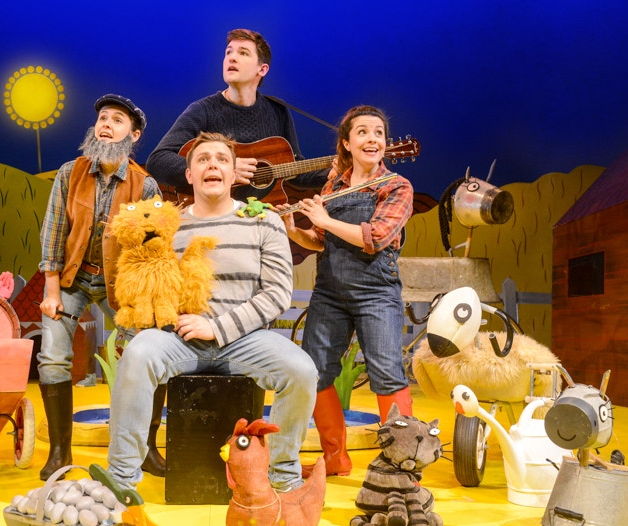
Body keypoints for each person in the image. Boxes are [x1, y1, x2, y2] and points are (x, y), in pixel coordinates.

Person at [107, 132, 318, 492]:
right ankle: (121, 482)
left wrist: (217, 328)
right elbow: (148, 277)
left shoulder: (263, 221)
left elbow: (278, 293)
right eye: (202, 159)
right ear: (188, 175)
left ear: (235, 173)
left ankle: (283, 478)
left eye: (221, 159)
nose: (212, 165)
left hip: (246, 339)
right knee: (138, 355)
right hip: (181, 339)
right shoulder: (167, 224)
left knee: (301, 371)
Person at [279, 105, 414, 477]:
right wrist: (295, 229)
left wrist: (324, 218)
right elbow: (322, 241)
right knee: (315, 372)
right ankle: (335, 457)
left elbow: (378, 237)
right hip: (330, 293)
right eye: (363, 133)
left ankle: (400, 463)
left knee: (387, 372)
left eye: (378, 133)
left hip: (376, 292)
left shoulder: (397, 186)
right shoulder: (333, 187)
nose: (372, 139)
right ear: (346, 143)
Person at [37, 94, 160, 481]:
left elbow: (153, 249)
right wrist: (52, 291)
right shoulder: (68, 173)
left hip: (120, 286)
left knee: (141, 360)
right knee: (53, 356)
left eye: (117, 120)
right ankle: (59, 452)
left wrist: (139, 310)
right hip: (73, 278)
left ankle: (145, 448)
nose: (106, 124)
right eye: (102, 118)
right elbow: (54, 233)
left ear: (133, 134)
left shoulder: (146, 185)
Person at [145, 28, 329, 202]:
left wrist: (332, 172)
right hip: (212, 214)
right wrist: (225, 168)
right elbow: (158, 161)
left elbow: (295, 173)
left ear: (262, 69)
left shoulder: (277, 111)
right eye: (228, 52)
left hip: (263, 216)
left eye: (243, 53)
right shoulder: (202, 110)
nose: (232, 58)